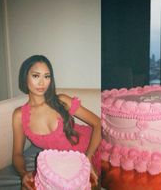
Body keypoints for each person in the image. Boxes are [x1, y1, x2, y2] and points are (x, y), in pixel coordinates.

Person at [12, 55, 101, 190]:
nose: (42, 83)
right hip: (60, 165)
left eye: (47, 76)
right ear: (25, 77)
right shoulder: (19, 115)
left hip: (91, 150)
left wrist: (89, 157)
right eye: (36, 76)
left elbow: (98, 123)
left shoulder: (61, 101)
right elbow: (17, 154)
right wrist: (23, 173)